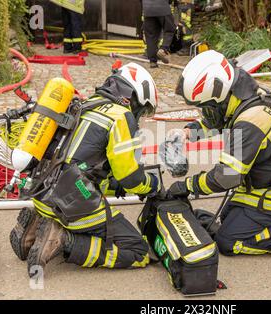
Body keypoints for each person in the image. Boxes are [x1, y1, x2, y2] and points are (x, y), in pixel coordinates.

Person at [168, 50, 271, 258]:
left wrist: (187, 186)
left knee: (228, 242)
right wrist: (187, 133)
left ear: (219, 95)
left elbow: (227, 177)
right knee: (226, 218)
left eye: (206, 107)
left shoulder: (251, 121)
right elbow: (216, 121)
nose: (205, 112)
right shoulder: (243, 93)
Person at [10, 63, 161, 276]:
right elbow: (130, 177)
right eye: (143, 109)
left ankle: (38, 224)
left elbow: (88, 168)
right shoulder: (121, 117)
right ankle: (64, 240)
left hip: (43, 192)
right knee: (138, 251)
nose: (140, 116)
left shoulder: (86, 104)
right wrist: (152, 185)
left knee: (84, 199)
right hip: (72, 202)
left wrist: (116, 188)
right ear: (134, 97)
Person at [141, 0, 176, 68]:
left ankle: (153, 62)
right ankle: (163, 49)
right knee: (169, 30)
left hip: (147, 10)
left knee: (151, 35)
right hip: (163, 8)